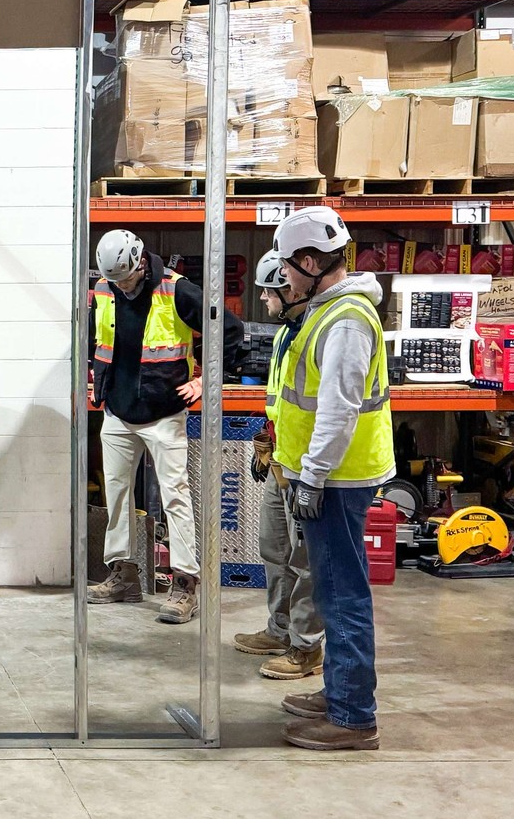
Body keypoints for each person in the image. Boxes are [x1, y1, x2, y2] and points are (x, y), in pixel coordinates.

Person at [271, 206, 392, 751]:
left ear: (312, 260)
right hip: (328, 476)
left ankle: (352, 717)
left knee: (343, 595)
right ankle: (339, 690)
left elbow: (339, 410)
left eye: (289, 268)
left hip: (339, 480)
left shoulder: (345, 319)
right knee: (333, 589)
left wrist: (313, 478)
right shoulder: (327, 309)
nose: (285, 279)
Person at [88, 229, 244, 624]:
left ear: (141, 263)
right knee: (118, 496)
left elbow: (229, 329)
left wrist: (206, 381)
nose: (120, 287)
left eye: (124, 278)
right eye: (113, 280)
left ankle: (185, 585)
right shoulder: (105, 289)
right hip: (118, 413)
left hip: (163, 413)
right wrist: (97, 383)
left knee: (175, 497)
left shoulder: (178, 291)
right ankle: (122, 574)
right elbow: (98, 339)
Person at [235, 250, 324, 681]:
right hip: (281, 461)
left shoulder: (316, 332)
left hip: (307, 468)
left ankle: (306, 648)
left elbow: (330, 410)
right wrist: (267, 442)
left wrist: (313, 473)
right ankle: (281, 629)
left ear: (289, 290)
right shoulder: (287, 334)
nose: (264, 300)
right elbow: (284, 401)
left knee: (306, 561)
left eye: (269, 291)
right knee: (275, 550)